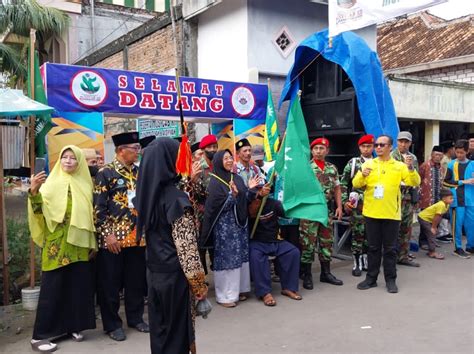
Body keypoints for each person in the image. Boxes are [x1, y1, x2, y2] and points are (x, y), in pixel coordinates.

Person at [135, 138, 208, 354]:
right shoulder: (176, 201)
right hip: (175, 279)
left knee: (160, 333)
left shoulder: (146, 196)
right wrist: (199, 285)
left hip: (154, 273)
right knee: (177, 335)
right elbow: (187, 252)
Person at [28, 146, 96, 352]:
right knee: (52, 288)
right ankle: (39, 337)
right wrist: (33, 191)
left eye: (72, 158)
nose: (67, 161)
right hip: (57, 246)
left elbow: (91, 216)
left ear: (79, 163)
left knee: (77, 288)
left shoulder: (85, 184)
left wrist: (94, 242)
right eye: (64, 157)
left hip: (79, 245)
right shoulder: (50, 184)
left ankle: (72, 327)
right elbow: (39, 211)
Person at [94, 132, 148, 341]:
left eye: (137, 148)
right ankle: (112, 324)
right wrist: (108, 235)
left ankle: (135, 318)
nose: (137, 151)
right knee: (111, 283)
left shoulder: (139, 172)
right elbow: (98, 208)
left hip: (137, 237)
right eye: (134, 148)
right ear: (120, 150)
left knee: (135, 281)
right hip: (114, 240)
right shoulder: (105, 173)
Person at [354, 135, 421, 293]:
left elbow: (414, 182)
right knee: (373, 248)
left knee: (390, 249)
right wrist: (362, 175)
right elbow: (356, 184)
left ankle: (391, 280)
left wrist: (411, 168)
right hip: (371, 213)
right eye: (376, 145)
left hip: (391, 214)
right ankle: (371, 278)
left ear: (390, 147)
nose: (378, 147)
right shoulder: (368, 164)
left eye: (382, 145)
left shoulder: (399, 166)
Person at [200, 150, 260, 308]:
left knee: (240, 257)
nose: (228, 161)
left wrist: (251, 190)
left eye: (230, 158)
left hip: (240, 226)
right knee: (227, 260)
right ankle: (225, 296)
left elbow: (244, 199)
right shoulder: (214, 182)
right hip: (225, 229)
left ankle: (241, 289)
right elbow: (214, 208)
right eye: (225, 158)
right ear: (219, 161)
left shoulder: (237, 178)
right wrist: (231, 196)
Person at [299, 137, 343, 290]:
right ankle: (307, 275)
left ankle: (326, 273)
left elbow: (337, 188)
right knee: (308, 244)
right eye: (315, 149)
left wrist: (339, 206)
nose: (318, 151)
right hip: (309, 212)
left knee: (326, 243)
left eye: (321, 149)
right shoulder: (305, 167)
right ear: (311, 151)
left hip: (326, 212)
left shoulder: (332, 168)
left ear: (327, 151)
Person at [249, 197, 302, 306]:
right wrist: (256, 201)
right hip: (257, 241)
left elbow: (287, 213)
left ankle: (289, 287)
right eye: (258, 189)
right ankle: (265, 292)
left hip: (275, 241)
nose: (262, 191)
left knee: (293, 252)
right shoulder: (249, 202)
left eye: (264, 188)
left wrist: (297, 204)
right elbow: (250, 214)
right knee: (256, 256)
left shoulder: (274, 203)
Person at [340, 134, 374, 276]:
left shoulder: (378, 163)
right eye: (363, 146)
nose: (366, 149)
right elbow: (342, 184)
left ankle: (366, 260)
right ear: (359, 147)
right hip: (358, 205)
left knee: (370, 234)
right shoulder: (353, 163)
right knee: (358, 234)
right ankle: (356, 262)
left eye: (369, 146)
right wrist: (344, 202)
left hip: (374, 204)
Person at [189, 134, 219, 274]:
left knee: (216, 247)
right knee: (201, 248)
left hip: (217, 213)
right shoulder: (198, 167)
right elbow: (194, 192)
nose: (213, 149)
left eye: (215, 146)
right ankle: (202, 281)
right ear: (203, 149)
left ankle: (219, 275)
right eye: (210, 147)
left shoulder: (219, 166)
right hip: (201, 216)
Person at [391, 131, 420, 267]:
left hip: (408, 196)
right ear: (397, 142)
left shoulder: (412, 157)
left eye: (406, 142)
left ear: (410, 143)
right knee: (392, 228)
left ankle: (403, 256)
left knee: (406, 228)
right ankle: (390, 256)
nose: (403, 144)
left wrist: (409, 167)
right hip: (394, 196)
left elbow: (416, 178)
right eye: (401, 141)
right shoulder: (391, 156)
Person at [443, 139, 474, 259]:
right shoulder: (451, 164)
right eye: (457, 152)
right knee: (457, 225)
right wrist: (463, 181)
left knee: (471, 224)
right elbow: (446, 182)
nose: (459, 155)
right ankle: (458, 248)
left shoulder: (472, 164)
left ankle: (470, 246)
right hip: (457, 199)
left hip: (471, 199)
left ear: (467, 151)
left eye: (462, 152)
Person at [418, 145, 451, 246]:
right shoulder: (425, 165)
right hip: (426, 199)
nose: (438, 157)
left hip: (437, 200)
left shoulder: (441, 168)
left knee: (435, 222)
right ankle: (423, 242)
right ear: (432, 154)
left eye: (440, 155)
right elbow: (418, 180)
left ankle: (432, 241)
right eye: (436, 154)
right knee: (425, 222)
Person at [417, 189, 454, 260]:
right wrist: (433, 227)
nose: (452, 200)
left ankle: (431, 247)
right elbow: (437, 217)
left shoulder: (447, 205)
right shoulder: (441, 205)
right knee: (432, 233)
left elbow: (440, 216)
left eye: (452, 198)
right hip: (423, 218)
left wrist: (435, 227)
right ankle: (432, 252)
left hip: (429, 218)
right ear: (444, 199)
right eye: (450, 198)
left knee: (432, 232)